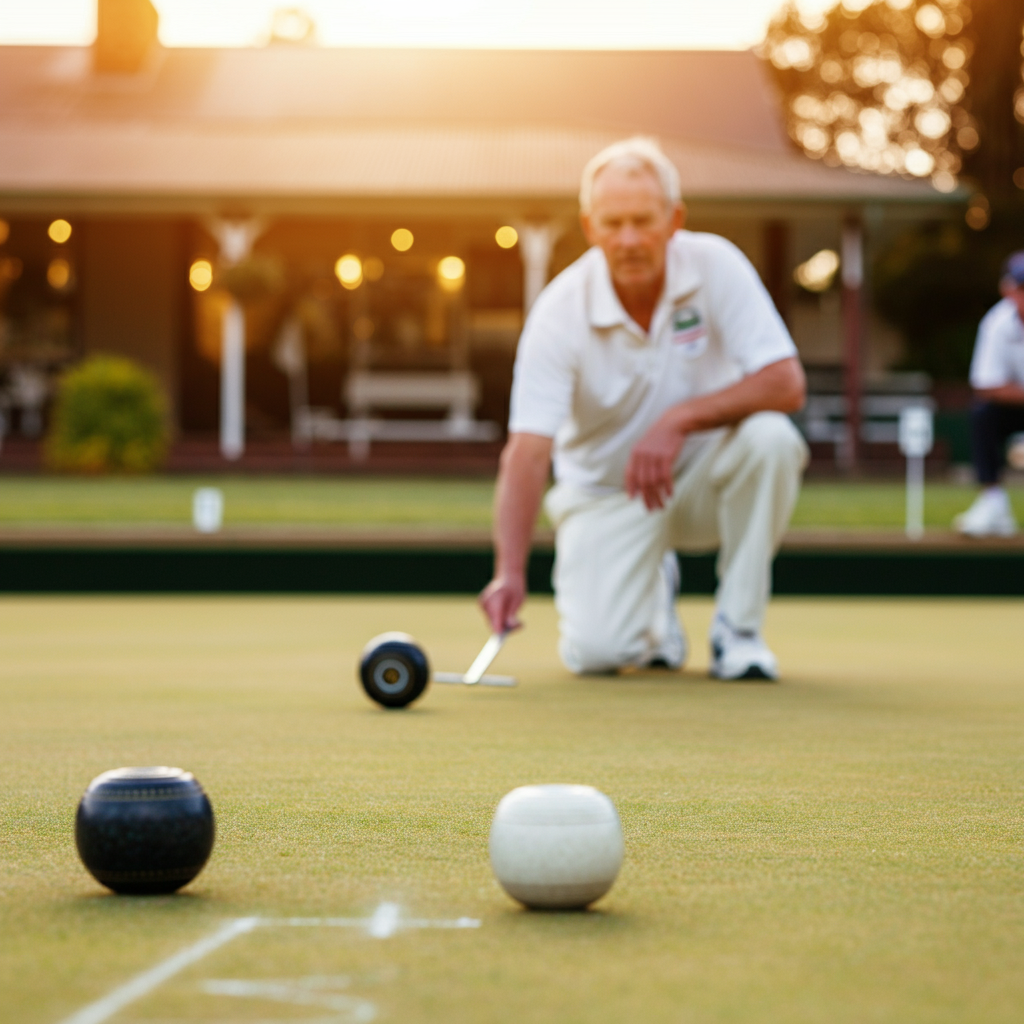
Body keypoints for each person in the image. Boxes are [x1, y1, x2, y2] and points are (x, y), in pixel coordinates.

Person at [479, 137, 808, 681]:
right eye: (612, 223)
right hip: (607, 496)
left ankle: (738, 631)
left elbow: (785, 383)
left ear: (674, 218)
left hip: (704, 481)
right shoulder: (560, 312)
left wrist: (678, 420)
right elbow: (529, 452)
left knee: (772, 439)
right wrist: (508, 571)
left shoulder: (717, 265)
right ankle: (657, 601)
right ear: (589, 227)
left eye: (642, 220)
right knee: (597, 654)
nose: (628, 239)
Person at [953, 251, 1024, 537]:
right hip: (1013, 406)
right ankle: (993, 502)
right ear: (1007, 289)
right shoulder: (995, 323)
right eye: (1021, 287)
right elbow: (985, 385)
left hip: (1015, 397)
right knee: (983, 413)